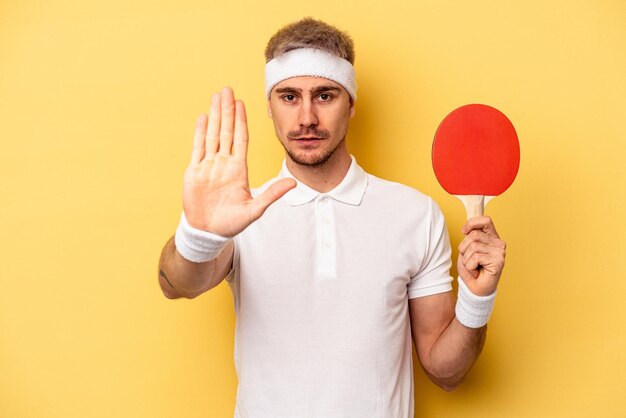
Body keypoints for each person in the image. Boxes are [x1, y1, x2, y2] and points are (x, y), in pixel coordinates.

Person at [158, 17, 506, 418]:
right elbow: (176, 285)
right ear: (269, 106)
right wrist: (200, 235)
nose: (306, 117)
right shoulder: (238, 212)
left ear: (352, 103)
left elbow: (446, 371)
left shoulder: (415, 213)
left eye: (324, 96)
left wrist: (478, 299)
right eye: (289, 97)